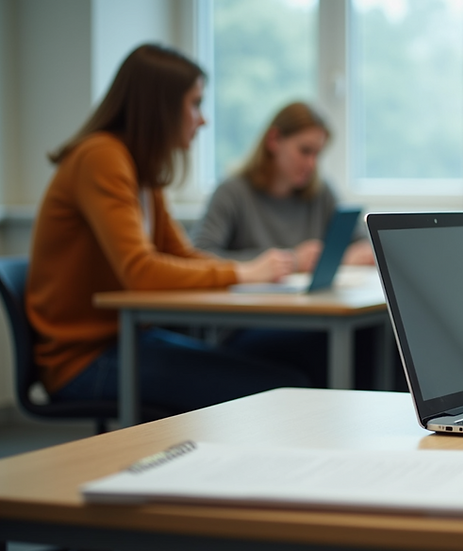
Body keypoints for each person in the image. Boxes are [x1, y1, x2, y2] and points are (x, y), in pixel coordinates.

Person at [27, 44, 313, 416]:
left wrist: (249, 273)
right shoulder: (101, 157)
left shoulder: (141, 169)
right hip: (83, 360)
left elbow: (182, 256)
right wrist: (242, 271)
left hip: (132, 340)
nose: (203, 119)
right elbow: (140, 272)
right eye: (195, 104)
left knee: (291, 380)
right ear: (159, 107)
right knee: (281, 392)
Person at [192, 101, 373, 269]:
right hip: (256, 302)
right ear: (274, 140)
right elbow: (199, 256)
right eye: (305, 151)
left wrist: (331, 259)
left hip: (314, 303)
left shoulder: (321, 191)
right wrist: (292, 260)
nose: (311, 164)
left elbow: (365, 247)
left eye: (317, 154)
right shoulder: (232, 192)